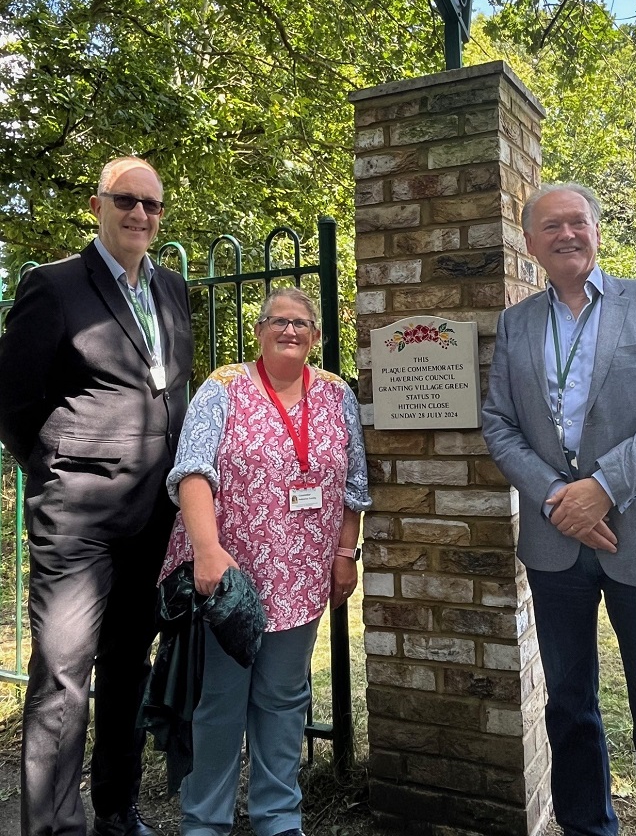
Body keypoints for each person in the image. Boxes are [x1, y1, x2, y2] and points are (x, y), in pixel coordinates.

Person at [482, 183, 636, 836]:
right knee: (570, 706)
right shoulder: (517, 323)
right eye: (550, 226)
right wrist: (558, 497)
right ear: (530, 244)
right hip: (557, 547)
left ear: (597, 230)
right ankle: (587, 827)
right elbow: (498, 424)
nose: (566, 234)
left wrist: (602, 488)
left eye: (577, 221)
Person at [0, 156, 194, 836]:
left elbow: (174, 392)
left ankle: (116, 807)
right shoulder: (52, 288)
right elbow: (16, 401)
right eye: (126, 200)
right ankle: (54, 827)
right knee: (61, 674)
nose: (140, 214)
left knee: (126, 671)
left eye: (152, 204)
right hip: (76, 519)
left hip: (153, 519)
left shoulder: (171, 288)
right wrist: (58, 469)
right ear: (98, 205)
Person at [159, 286, 370, 836]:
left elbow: (354, 486)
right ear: (259, 330)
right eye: (278, 320)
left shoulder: (336, 394)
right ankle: (205, 820)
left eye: (301, 323)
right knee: (220, 705)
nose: (290, 330)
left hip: (302, 577)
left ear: (317, 336)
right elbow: (192, 471)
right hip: (229, 580)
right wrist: (207, 553)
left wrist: (345, 554)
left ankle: (279, 817)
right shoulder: (223, 387)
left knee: (283, 701)